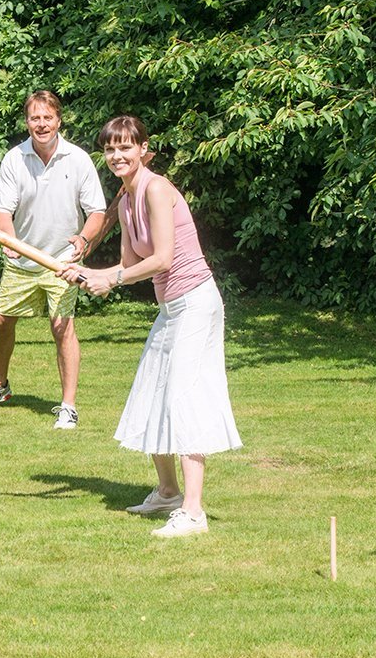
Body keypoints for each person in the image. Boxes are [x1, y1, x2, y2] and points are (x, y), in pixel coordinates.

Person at [61, 115, 242, 537]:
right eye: (110, 149)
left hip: (196, 304)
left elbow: (161, 258)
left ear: (145, 150)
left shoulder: (157, 189)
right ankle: (167, 492)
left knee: (184, 397)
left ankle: (194, 513)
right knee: (152, 390)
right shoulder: (125, 201)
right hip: (171, 309)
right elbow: (126, 265)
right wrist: (89, 273)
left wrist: (112, 278)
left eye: (126, 147)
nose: (117, 155)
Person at [0, 90, 107, 429]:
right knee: (1, 321)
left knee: (62, 327)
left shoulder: (78, 159)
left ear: (59, 120)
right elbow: (3, 210)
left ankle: (68, 406)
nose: (41, 124)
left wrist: (84, 239)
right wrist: (9, 239)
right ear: (26, 121)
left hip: (62, 261)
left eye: (47, 117)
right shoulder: (15, 158)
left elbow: (97, 211)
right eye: (34, 118)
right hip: (22, 259)